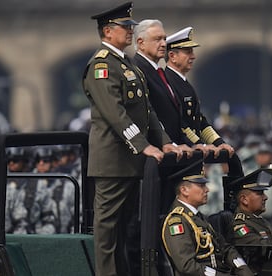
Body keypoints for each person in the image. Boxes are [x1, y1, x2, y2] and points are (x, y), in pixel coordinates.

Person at [82, 2, 184, 275]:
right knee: (108, 231)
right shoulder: (102, 65)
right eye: (124, 27)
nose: (129, 31)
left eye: (130, 26)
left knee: (127, 228)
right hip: (113, 160)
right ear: (107, 31)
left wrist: (163, 141)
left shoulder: (126, 64)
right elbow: (115, 114)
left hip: (130, 160)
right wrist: (144, 146)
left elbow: (146, 111)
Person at [164, 26, 241, 172]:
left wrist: (219, 143)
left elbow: (199, 121)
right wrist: (200, 144)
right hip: (181, 158)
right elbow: (180, 123)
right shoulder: (168, 83)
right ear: (172, 56)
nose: (193, 56)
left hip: (193, 154)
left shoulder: (185, 83)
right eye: (188, 52)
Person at [162, 162, 253, 276]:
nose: (207, 190)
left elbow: (225, 248)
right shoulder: (177, 221)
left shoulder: (199, 217)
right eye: (201, 186)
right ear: (184, 190)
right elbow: (186, 265)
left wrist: (242, 268)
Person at [232, 169, 272, 274]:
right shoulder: (240, 225)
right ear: (244, 200)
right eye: (259, 193)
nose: (265, 197)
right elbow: (262, 247)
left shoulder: (258, 220)